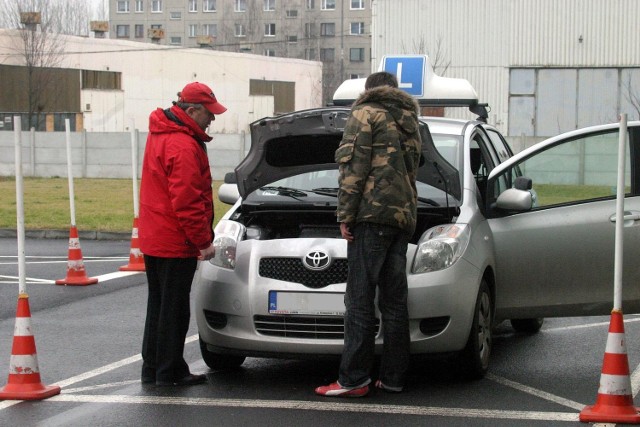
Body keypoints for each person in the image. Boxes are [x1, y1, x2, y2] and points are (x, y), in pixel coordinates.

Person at [315, 71, 422, 397]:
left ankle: (353, 379)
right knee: (393, 303)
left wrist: (345, 215)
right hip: (402, 219)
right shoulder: (410, 120)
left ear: (369, 90)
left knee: (359, 301)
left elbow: (353, 169)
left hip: (371, 217)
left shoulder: (365, 113)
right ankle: (393, 377)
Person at [138, 82, 226, 386]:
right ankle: (170, 371)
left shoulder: (160, 134)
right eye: (208, 113)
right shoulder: (183, 144)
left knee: (159, 304)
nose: (212, 119)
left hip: (156, 235)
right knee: (174, 309)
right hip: (176, 239)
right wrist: (203, 241)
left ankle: (153, 367)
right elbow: (187, 201)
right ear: (191, 110)